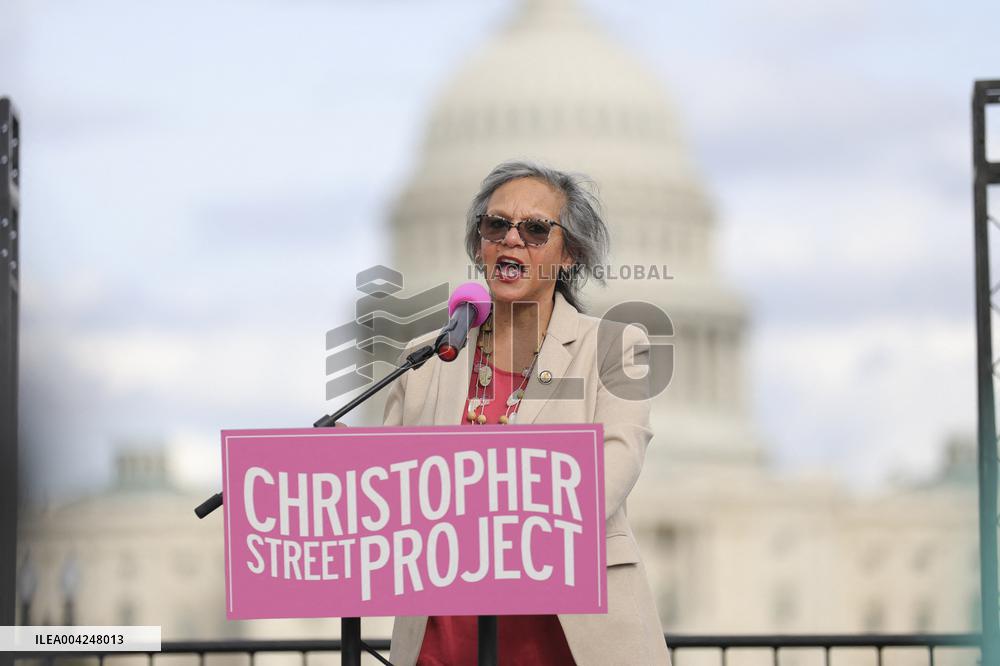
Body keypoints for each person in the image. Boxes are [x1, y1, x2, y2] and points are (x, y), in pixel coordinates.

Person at [383, 160, 671, 665]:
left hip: (564, 641)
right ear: (479, 245)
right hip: (444, 641)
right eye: (496, 226)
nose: (512, 240)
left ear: (569, 254)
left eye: (536, 229)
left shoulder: (613, 347)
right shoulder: (426, 357)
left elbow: (606, 474)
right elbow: (386, 488)